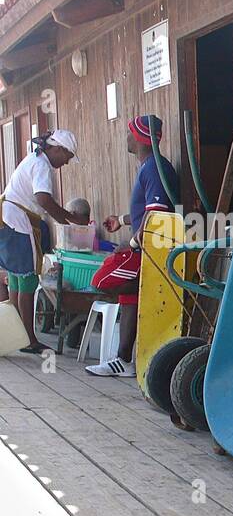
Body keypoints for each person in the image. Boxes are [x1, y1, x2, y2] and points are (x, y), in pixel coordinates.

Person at [86, 115, 179, 377]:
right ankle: (123, 359)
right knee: (130, 292)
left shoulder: (154, 168)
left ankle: (127, 356)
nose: (125, 137)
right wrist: (123, 220)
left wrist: (129, 243)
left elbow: (155, 218)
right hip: (145, 248)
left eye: (129, 133)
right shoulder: (150, 166)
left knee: (102, 280)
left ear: (139, 138)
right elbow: (144, 211)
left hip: (153, 252)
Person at [0, 129, 89, 353]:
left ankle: (17, 334)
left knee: (16, 278)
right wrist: (68, 220)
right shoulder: (42, 166)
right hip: (19, 221)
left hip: (10, 218)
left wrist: (68, 218)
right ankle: (29, 339)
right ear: (57, 149)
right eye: (67, 156)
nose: (67, 162)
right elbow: (43, 200)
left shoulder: (34, 158)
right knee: (28, 279)